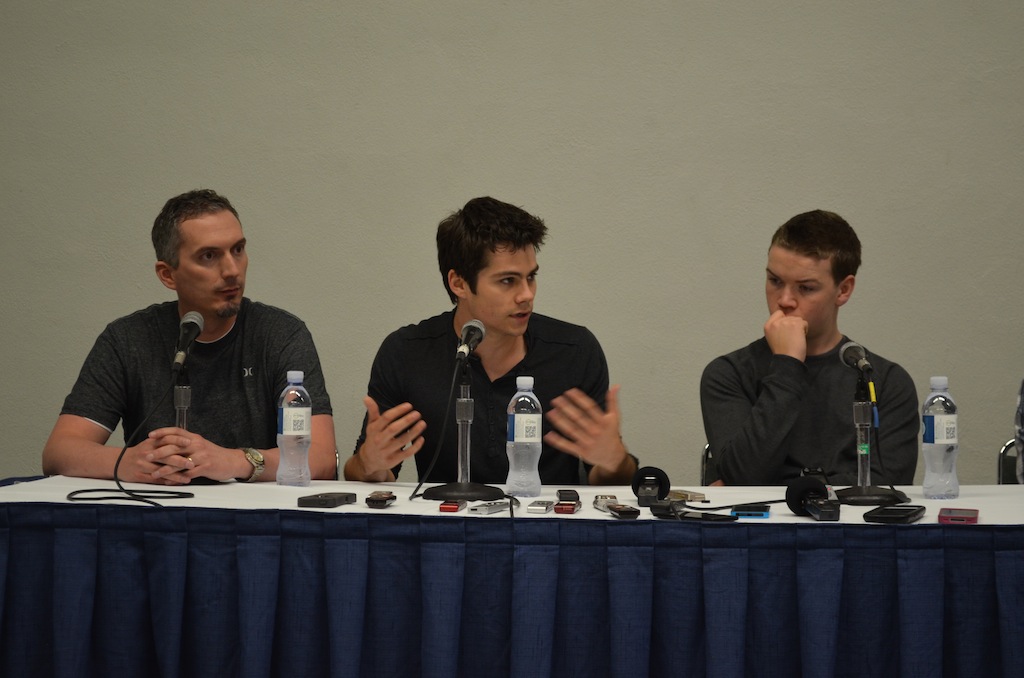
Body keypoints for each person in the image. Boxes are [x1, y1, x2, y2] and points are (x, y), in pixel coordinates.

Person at [42, 189, 337, 484]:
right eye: (209, 256)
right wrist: (129, 461)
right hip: (159, 512)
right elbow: (59, 452)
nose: (232, 270)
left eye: (238, 249)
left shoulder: (280, 334)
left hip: (253, 518)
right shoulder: (128, 339)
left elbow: (320, 459)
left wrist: (234, 461)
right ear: (168, 275)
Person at [344, 196, 636, 486]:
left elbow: (609, 481)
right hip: (447, 526)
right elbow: (367, 474)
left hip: (546, 526)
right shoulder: (407, 352)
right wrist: (369, 463)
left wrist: (614, 461)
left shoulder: (575, 351)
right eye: (508, 280)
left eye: (530, 277)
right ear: (458, 283)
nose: (527, 295)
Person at [700, 210, 918, 486]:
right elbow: (744, 478)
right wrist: (787, 364)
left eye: (806, 288)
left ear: (843, 290)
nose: (785, 300)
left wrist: (787, 485)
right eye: (775, 281)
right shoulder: (728, 374)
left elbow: (884, 489)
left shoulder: (885, 381)